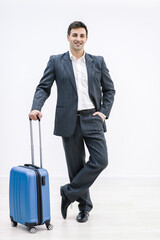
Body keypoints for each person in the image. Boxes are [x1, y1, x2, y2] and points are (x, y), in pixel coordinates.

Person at [29, 21, 115, 223]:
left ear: (86, 38)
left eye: (82, 35)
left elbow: (109, 90)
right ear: (68, 37)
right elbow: (43, 87)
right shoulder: (56, 61)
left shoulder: (98, 62)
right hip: (69, 120)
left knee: (100, 160)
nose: (78, 39)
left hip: (92, 118)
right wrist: (36, 107)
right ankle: (84, 208)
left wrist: (103, 112)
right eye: (74, 35)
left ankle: (68, 192)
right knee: (75, 167)